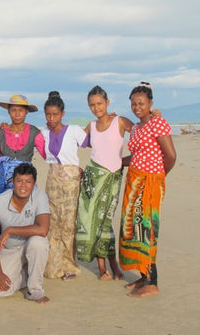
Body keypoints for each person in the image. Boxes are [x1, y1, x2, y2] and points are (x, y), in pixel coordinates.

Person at [119, 82, 176, 297]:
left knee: (148, 230)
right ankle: (143, 277)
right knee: (135, 231)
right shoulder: (135, 128)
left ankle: (153, 282)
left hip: (150, 184)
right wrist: (116, 163)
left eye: (141, 103)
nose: (137, 107)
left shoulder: (158, 123)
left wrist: (158, 178)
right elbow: (136, 156)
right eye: (133, 104)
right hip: (134, 183)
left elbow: (170, 156)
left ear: (150, 103)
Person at [75, 86, 132, 280]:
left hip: (112, 180)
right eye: (92, 104)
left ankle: (114, 265)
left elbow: (144, 133)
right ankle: (102, 268)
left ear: (107, 103)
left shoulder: (120, 121)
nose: (96, 107)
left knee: (105, 223)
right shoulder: (91, 126)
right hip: (92, 179)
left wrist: (126, 161)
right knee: (90, 221)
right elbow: (74, 141)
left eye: (99, 103)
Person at [0, 163, 50, 304]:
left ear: (34, 184)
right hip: (9, 250)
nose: (23, 186)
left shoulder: (40, 196)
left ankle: (35, 290)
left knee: (38, 242)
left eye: (28, 182)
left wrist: (10, 230)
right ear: (13, 182)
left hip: (30, 245)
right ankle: (26, 274)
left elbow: (43, 229)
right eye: (19, 181)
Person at [42, 91, 87, 280]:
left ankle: (69, 267)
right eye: (48, 114)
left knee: (68, 224)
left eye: (55, 114)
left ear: (63, 114)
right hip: (52, 181)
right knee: (52, 223)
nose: (52, 118)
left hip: (70, 182)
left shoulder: (74, 130)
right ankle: (53, 265)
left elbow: (94, 143)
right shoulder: (43, 134)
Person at [0, 94, 45, 194]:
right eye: (13, 110)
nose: (17, 114)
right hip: (3, 183)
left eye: (20, 110)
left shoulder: (34, 132)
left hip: (26, 181)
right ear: (9, 112)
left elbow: (47, 154)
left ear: (26, 112)